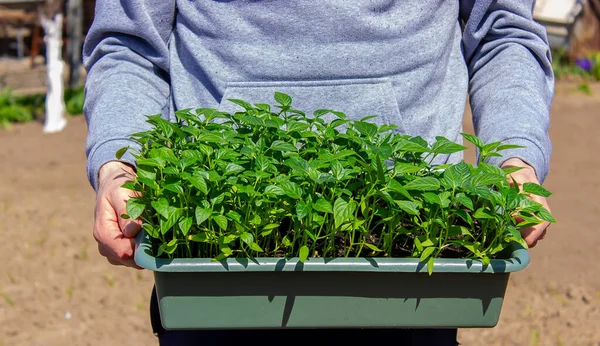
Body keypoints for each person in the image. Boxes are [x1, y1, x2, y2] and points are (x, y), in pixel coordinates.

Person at [82, 1, 553, 345]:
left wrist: (514, 160)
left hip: (414, 259)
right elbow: (130, 45)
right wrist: (117, 166)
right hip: (213, 270)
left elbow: (502, 30)